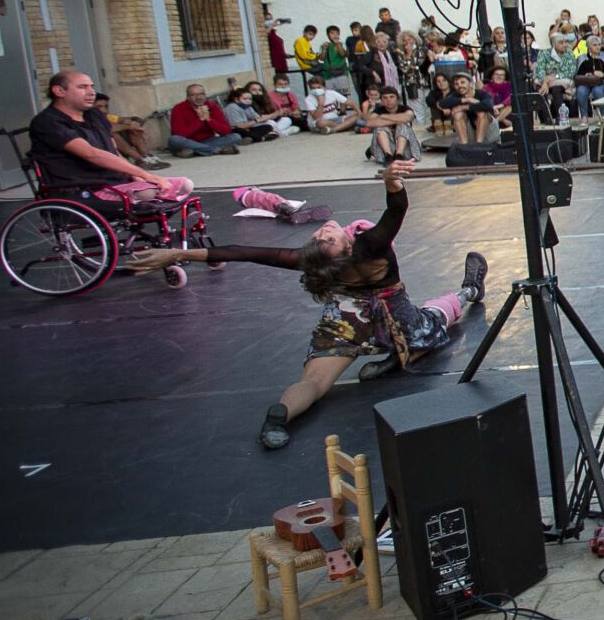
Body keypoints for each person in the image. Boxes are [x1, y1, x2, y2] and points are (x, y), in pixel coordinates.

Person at [129, 160, 486, 448]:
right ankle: (468, 290)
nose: (325, 228)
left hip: (346, 322)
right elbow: (396, 211)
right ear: (345, 247)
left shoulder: (307, 259)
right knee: (436, 320)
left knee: (313, 383)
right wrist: (393, 182)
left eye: (320, 234)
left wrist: (178, 252)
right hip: (395, 315)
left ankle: (279, 418)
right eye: (325, 235)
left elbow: (243, 253)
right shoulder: (369, 245)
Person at [28, 71, 196, 204]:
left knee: (184, 185)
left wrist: (133, 175)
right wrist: (147, 175)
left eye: (92, 86)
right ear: (59, 91)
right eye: (82, 87)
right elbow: (91, 154)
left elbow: (112, 149)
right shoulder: (48, 122)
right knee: (150, 192)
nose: (91, 92)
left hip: (115, 182)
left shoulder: (94, 114)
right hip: (83, 188)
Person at [165, 84, 244, 157]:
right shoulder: (179, 108)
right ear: (188, 97)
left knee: (235, 137)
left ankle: (196, 151)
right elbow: (179, 134)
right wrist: (199, 120)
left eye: (201, 94)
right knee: (174, 139)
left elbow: (226, 130)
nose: (198, 97)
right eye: (193, 95)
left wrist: (209, 119)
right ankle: (216, 150)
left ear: (205, 95)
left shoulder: (212, 106)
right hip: (187, 142)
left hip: (207, 141)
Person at [360, 86, 419, 163]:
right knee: (380, 128)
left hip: (405, 148)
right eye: (385, 98)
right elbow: (369, 123)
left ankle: (399, 155)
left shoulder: (405, 108)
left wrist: (383, 117)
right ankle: (388, 155)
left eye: (391, 97)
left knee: (403, 125)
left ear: (397, 99)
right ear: (381, 100)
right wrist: (398, 119)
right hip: (386, 147)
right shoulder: (378, 110)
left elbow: (407, 118)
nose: (388, 100)